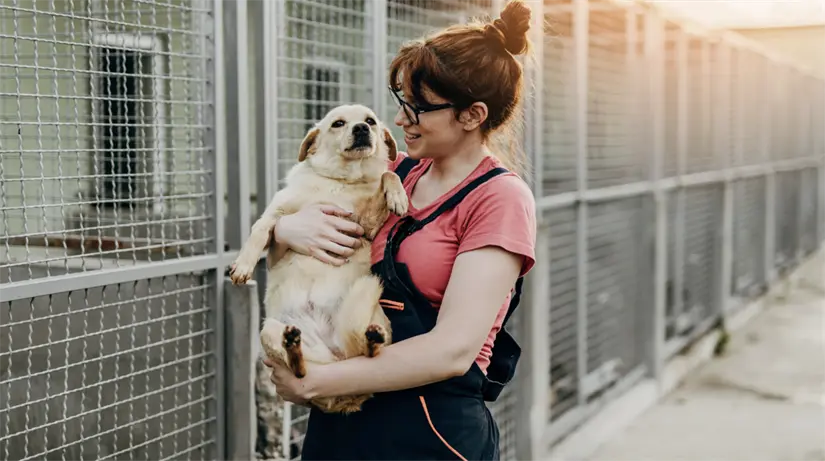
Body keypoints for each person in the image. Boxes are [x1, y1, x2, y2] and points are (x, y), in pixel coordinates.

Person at [262, 1, 538, 459]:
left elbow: (452, 351)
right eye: (401, 102)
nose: (401, 119)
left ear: (472, 115)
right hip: (342, 419)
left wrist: (316, 381)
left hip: (428, 428)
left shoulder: (499, 199)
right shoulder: (395, 174)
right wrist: (285, 229)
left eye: (418, 107)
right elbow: (292, 235)